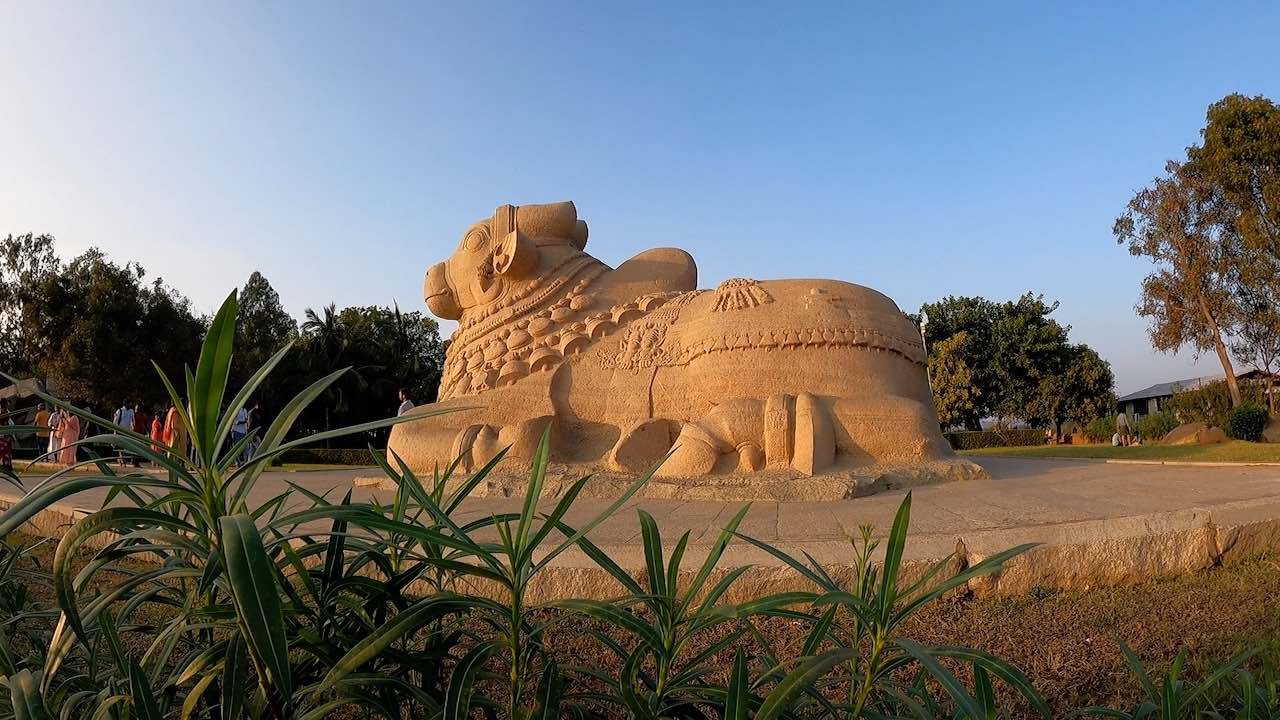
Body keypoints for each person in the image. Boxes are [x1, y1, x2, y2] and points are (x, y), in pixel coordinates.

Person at [112, 401, 136, 466]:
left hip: (127, 432)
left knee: (124, 446)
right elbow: (115, 421)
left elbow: (132, 421)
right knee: (120, 446)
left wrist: (132, 427)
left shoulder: (131, 411)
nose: (130, 404)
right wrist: (116, 430)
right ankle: (122, 459)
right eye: (129, 403)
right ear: (125, 404)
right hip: (120, 431)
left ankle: (120, 458)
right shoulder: (120, 411)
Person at [0, 399, 14, 472]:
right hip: (5, 434)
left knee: (5, 451)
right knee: (6, 451)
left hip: (5, 434)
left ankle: (7, 465)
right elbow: (8, 423)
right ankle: (7, 465)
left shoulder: (6, 412)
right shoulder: (5, 412)